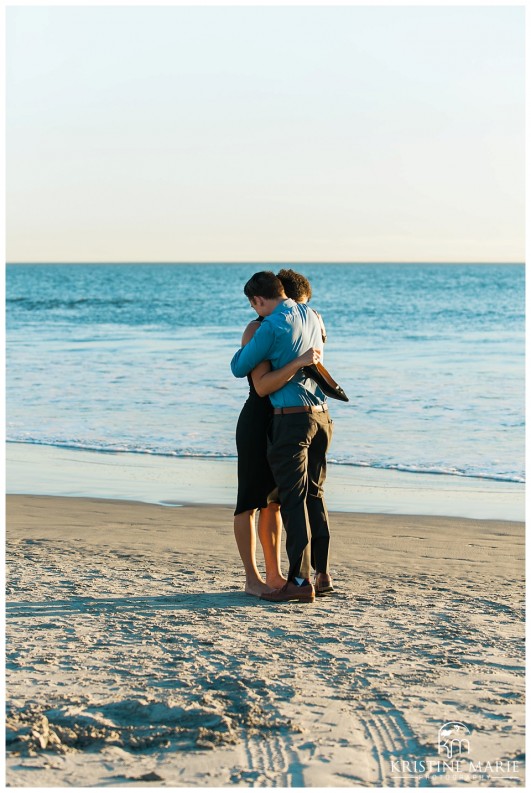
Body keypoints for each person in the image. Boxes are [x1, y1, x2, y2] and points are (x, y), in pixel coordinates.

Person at [231, 271, 334, 604]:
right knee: (250, 502)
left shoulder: (296, 322)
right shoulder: (260, 328)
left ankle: (279, 575)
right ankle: (253, 578)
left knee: (276, 503)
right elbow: (257, 382)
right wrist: (300, 361)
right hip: (260, 419)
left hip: (285, 419)